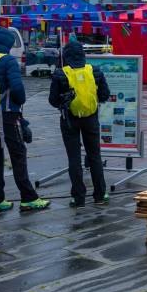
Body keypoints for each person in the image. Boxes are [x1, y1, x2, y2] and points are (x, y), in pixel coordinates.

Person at [49, 40, 111, 208]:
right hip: (91, 118)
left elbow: (53, 101)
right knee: (95, 156)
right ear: (83, 54)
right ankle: (100, 194)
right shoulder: (94, 71)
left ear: (66, 55)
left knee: (74, 158)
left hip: (69, 120)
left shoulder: (61, 74)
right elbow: (105, 95)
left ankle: (78, 197)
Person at [0, 27, 50, 212]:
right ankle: (28, 197)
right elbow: (17, 89)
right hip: (8, 114)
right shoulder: (8, 60)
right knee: (18, 154)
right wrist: (21, 102)